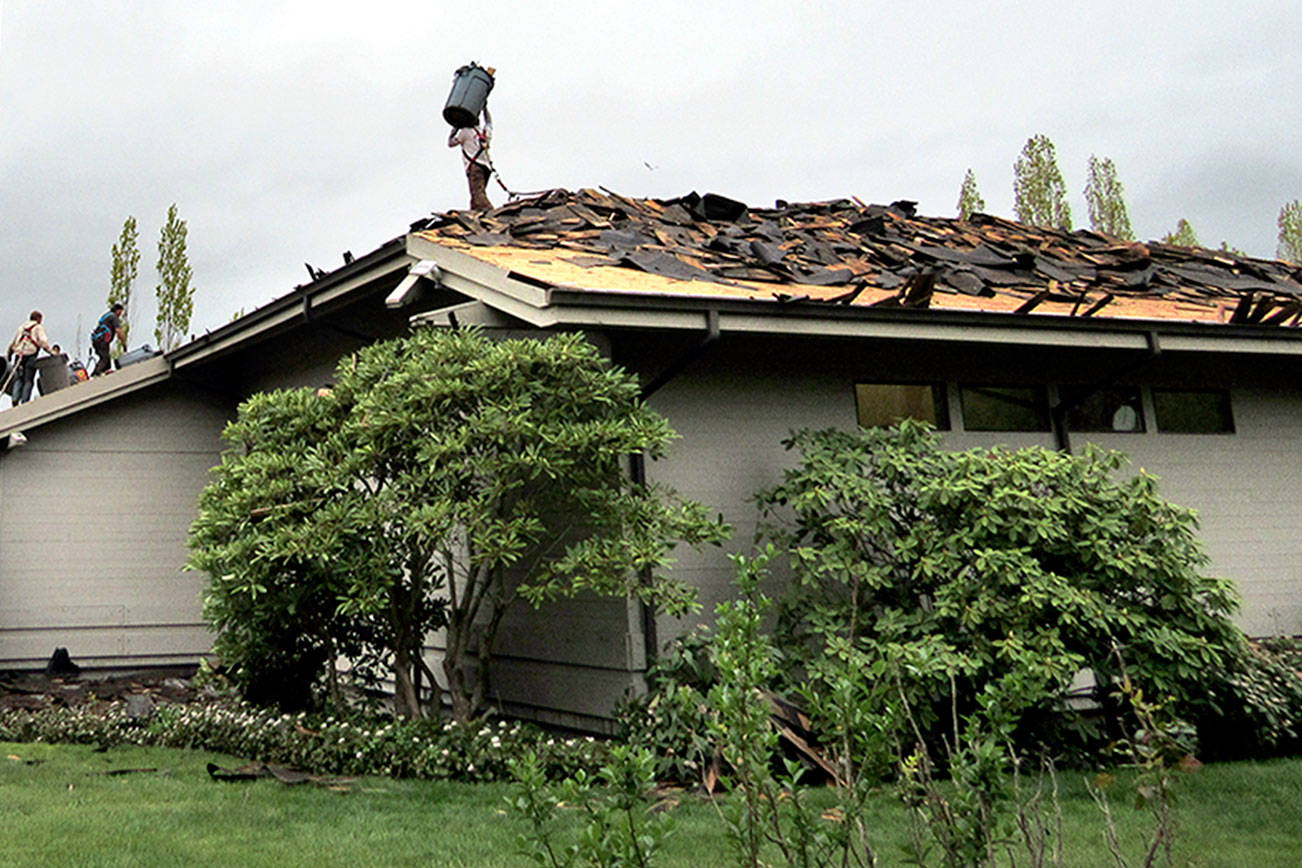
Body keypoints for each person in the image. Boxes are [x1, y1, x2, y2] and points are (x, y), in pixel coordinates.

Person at [448, 102, 494, 211]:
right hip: (486, 167)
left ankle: (490, 212)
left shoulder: (465, 132)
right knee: (477, 193)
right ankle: (474, 211)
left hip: (475, 167)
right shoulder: (485, 132)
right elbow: (489, 123)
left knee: (477, 193)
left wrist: (455, 127)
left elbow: (450, 143)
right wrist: (484, 108)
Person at [7, 310, 55, 405]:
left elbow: (13, 343)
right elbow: (43, 342)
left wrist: (9, 354)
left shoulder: (21, 328)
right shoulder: (38, 328)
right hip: (30, 356)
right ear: (39, 319)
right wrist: (51, 352)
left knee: (18, 378)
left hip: (19, 356)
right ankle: (25, 401)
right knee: (28, 380)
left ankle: (15, 398)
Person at [91, 303, 125, 376]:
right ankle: (96, 373)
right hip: (102, 340)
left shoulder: (106, 316)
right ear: (118, 311)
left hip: (96, 340)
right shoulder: (114, 317)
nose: (120, 314)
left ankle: (102, 373)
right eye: (121, 312)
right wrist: (124, 343)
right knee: (105, 359)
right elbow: (118, 331)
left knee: (106, 360)